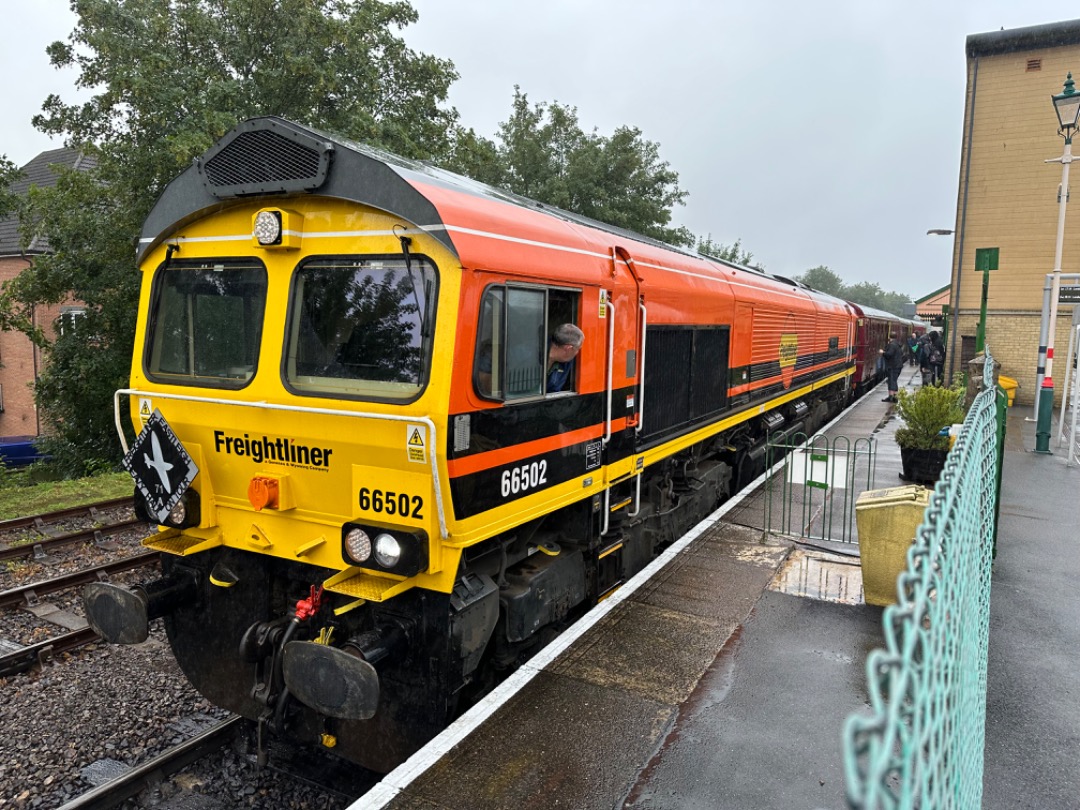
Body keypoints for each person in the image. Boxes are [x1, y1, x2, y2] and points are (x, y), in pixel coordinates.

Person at [547, 323, 584, 392]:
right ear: (568, 348)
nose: (577, 352)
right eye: (578, 349)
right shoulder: (530, 355)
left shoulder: (566, 362)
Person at [880, 331, 905, 403]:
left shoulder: (892, 345)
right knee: (893, 380)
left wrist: (883, 352)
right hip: (898, 365)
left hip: (893, 366)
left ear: (889, 337)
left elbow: (889, 354)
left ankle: (892, 397)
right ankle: (894, 396)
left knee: (892, 381)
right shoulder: (897, 344)